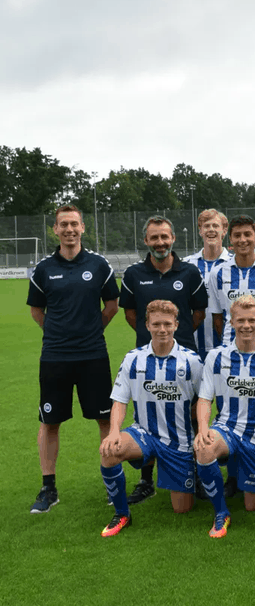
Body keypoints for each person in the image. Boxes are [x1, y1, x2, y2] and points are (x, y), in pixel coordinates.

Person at [27, 205, 120, 513]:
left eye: (74, 224)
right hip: (55, 358)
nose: (69, 229)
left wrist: (89, 331)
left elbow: (112, 306)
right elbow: (37, 311)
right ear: (55, 229)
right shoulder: (43, 268)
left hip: (93, 355)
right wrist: (59, 334)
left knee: (105, 419)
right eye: (63, 224)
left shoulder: (98, 264)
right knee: (50, 421)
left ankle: (111, 483)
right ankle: (49, 488)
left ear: (83, 228)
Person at [98, 300, 204, 536]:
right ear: (147, 325)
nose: (162, 329)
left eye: (167, 324)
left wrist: (199, 435)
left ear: (176, 325)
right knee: (109, 451)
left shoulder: (192, 361)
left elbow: (204, 401)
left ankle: (193, 472)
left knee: (182, 509)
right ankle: (122, 513)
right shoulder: (133, 359)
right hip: (144, 434)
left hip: (179, 441)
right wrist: (114, 431)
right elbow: (119, 400)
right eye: (156, 324)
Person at [194, 295, 255, 538]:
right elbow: (205, 398)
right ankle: (221, 512)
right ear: (230, 322)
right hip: (226, 427)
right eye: (240, 320)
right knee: (205, 448)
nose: (246, 325)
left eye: (251, 320)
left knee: (253, 505)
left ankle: (248, 471)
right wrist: (203, 428)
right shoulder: (216, 356)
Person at [120, 216, 207, 352]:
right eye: (154, 238)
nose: (160, 243)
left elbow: (200, 313)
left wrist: (181, 332)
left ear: (173, 238)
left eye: (164, 237)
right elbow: (130, 313)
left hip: (184, 351)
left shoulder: (190, 272)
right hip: (146, 352)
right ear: (146, 240)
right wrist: (147, 333)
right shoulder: (132, 274)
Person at [209, 215, 255, 347]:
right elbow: (217, 317)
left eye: (247, 234)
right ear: (230, 239)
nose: (242, 240)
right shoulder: (217, 273)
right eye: (237, 235)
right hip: (229, 348)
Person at [183, 208, 231, 360]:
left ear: (224, 230)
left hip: (227, 344)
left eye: (215, 226)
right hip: (192, 344)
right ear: (200, 230)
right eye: (206, 226)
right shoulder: (186, 265)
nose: (211, 230)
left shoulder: (234, 264)